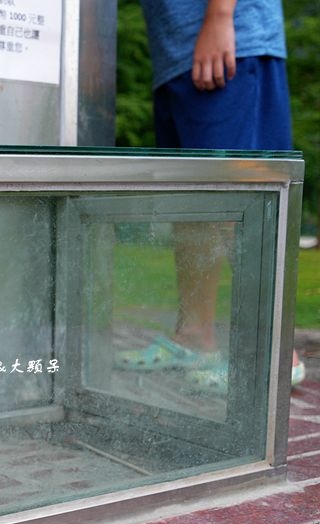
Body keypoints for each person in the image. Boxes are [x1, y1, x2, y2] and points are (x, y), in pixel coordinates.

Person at [116, 0, 305, 390]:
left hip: (230, 40)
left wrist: (220, 15)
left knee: (241, 201)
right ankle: (193, 337)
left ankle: (277, 354)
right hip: (180, 51)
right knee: (195, 204)